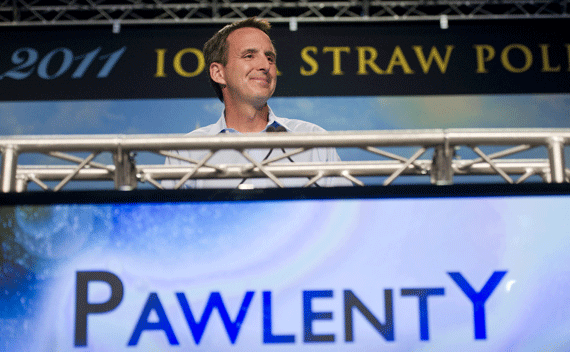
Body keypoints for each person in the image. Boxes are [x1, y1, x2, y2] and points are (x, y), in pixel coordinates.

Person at [163, 17, 351, 189]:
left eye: (270, 58)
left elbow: (345, 212)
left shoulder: (313, 141)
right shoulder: (186, 152)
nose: (265, 66)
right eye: (249, 56)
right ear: (218, 73)